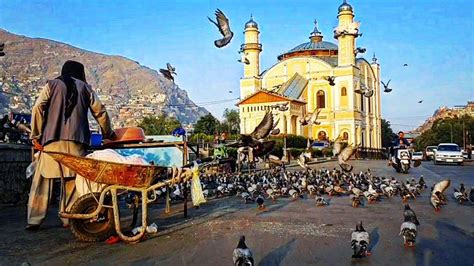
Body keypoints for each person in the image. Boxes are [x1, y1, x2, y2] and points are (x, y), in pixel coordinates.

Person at [26, 60, 115, 231]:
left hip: (51, 142)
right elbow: (100, 111)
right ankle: (68, 219)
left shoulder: (51, 85)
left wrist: (35, 135)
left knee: (42, 182)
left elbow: (38, 107)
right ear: (80, 73)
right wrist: (108, 134)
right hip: (77, 143)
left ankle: (34, 220)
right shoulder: (86, 88)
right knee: (72, 183)